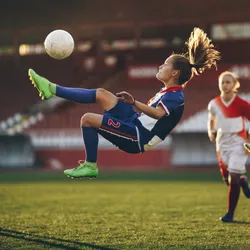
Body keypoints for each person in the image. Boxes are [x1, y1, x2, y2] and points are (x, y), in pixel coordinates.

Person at [28, 27, 220, 179]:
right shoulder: (167, 92)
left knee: (87, 119)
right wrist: (133, 104)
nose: (161, 66)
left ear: (175, 73)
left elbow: (159, 115)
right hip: (134, 122)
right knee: (103, 93)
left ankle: (90, 166)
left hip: (138, 138)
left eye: (166, 64)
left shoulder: (176, 96)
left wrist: (134, 102)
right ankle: (51, 89)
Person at [207, 71, 250, 223]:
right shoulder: (213, 103)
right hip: (222, 143)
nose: (225, 85)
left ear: (234, 85)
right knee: (228, 179)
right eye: (222, 82)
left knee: (234, 178)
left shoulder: (242, 104)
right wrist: (210, 132)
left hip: (239, 142)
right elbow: (211, 119)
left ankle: (230, 214)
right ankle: (243, 181)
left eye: (228, 82)